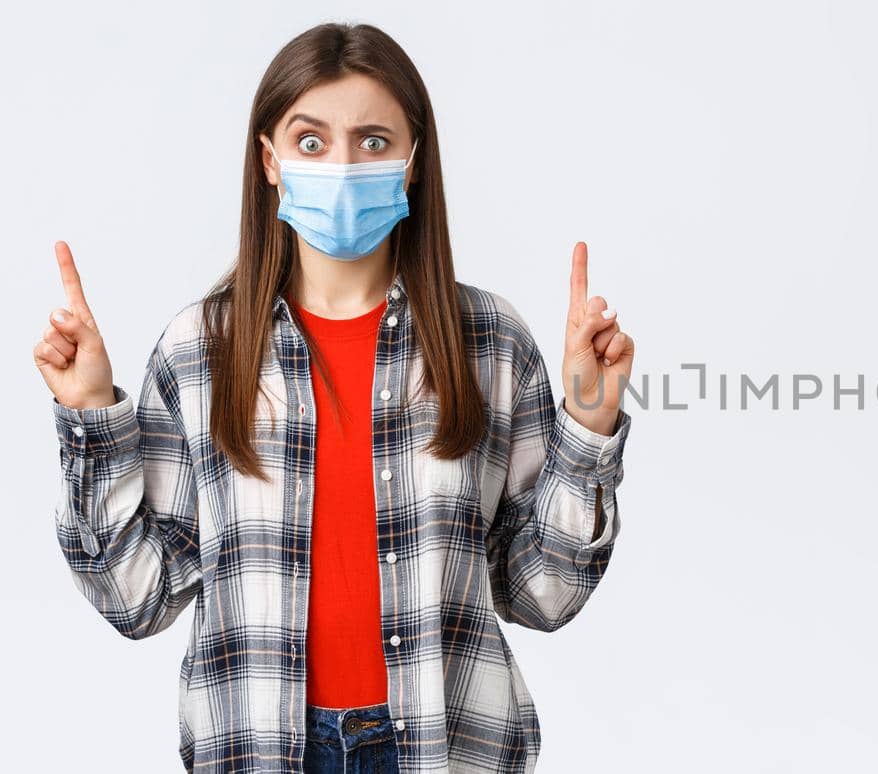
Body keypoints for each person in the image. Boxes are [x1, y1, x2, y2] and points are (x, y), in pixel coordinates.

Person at [33, 22, 635, 774]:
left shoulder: (489, 341)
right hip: (256, 748)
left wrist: (588, 420)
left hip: (448, 748)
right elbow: (136, 598)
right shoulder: (200, 352)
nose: (343, 164)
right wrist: (91, 415)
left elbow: (545, 594)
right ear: (270, 161)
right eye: (311, 142)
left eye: (375, 141)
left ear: (414, 161)